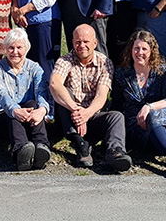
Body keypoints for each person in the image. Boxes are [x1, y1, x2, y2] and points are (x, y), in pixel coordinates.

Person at [49, 24, 132, 171]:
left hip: (93, 115)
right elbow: (55, 83)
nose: (82, 45)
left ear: (95, 43)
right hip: (70, 118)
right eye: (78, 42)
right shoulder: (64, 60)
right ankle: (80, 145)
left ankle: (115, 152)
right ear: (72, 42)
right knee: (62, 93)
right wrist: (76, 110)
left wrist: (86, 114)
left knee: (117, 117)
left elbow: (101, 95)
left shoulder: (105, 63)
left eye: (86, 42)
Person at [0, 28, 51, 171]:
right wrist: (15, 110)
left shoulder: (35, 68)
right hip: (1, 116)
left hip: (29, 117)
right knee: (13, 114)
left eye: (19, 48)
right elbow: (1, 94)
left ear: (26, 48)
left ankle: (41, 147)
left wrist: (42, 110)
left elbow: (41, 92)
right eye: (11, 48)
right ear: (5, 49)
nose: (15, 52)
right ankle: (20, 152)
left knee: (33, 104)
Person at [111, 30, 166, 154]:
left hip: (161, 122)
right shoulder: (122, 74)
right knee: (152, 118)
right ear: (131, 50)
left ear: (151, 51)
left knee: (153, 115)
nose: (140, 52)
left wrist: (149, 107)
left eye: (144, 49)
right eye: (136, 48)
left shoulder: (161, 72)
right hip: (135, 126)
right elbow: (116, 105)